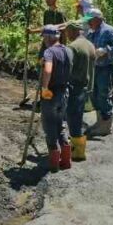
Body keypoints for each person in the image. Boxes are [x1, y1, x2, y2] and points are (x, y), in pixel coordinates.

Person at [85, 8, 113, 136]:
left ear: (97, 19)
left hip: (106, 67)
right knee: (94, 94)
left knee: (103, 94)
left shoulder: (108, 30)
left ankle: (106, 125)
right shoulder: (93, 31)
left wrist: (106, 50)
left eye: (90, 20)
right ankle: (100, 122)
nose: (88, 23)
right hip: (95, 66)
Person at [39, 25, 73, 171]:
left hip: (52, 93)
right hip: (64, 91)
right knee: (60, 124)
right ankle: (66, 161)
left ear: (48, 37)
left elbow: (48, 70)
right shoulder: (68, 50)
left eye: (44, 38)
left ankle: (54, 163)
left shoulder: (49, 52)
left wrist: (44, 88)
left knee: (49, 125)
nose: (44, 41)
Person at [63, 20, 97, 161]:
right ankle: (78, 148)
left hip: (75, 86)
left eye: (67, 32)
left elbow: (67, 68)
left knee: (73, 118)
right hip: (87, 87)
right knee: (78, 116)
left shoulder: (73, 47)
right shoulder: (90, 45)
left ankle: (78, 152)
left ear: (73, 31)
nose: (67, 35)